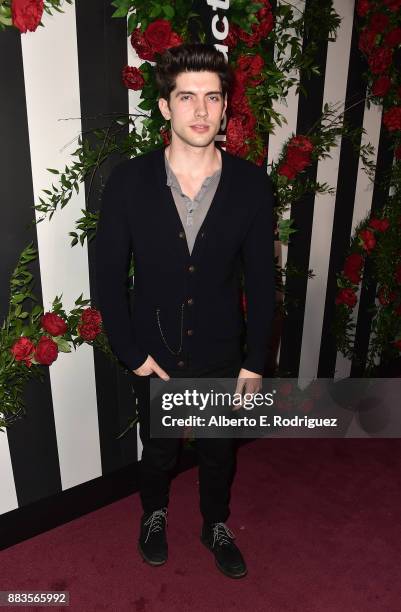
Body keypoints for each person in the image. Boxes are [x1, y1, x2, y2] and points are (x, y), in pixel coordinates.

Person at [95, 43, 275, 579]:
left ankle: (214, 522)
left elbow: (263, 283)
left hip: (223, 351)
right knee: (159, 450)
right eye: (187, 97)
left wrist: (254, 360)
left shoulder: (250, 185)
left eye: (212, 98)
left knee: (220, 452)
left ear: (225, 107)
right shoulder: (129, 181)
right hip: (156, 352)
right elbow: (107, 276)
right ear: (165, 107)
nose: (201, 111)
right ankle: (154, 514)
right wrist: (131, 353)